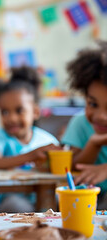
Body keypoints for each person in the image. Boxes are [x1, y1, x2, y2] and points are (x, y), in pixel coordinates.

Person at [0, 66, 60, 212]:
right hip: (10, 199)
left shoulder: (46, 140)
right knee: (17, 205)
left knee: (57, 201)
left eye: (19, 111)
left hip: (43, 196)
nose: (11, 118)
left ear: (36, 112)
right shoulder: (0, 136)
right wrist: (31, 156)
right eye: (5, 112)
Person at [61, 41, 107, 209]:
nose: (100, 116)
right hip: (88, 199)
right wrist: (94, 144)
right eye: (93, 104)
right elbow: (74, 166)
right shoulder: (80, 123)